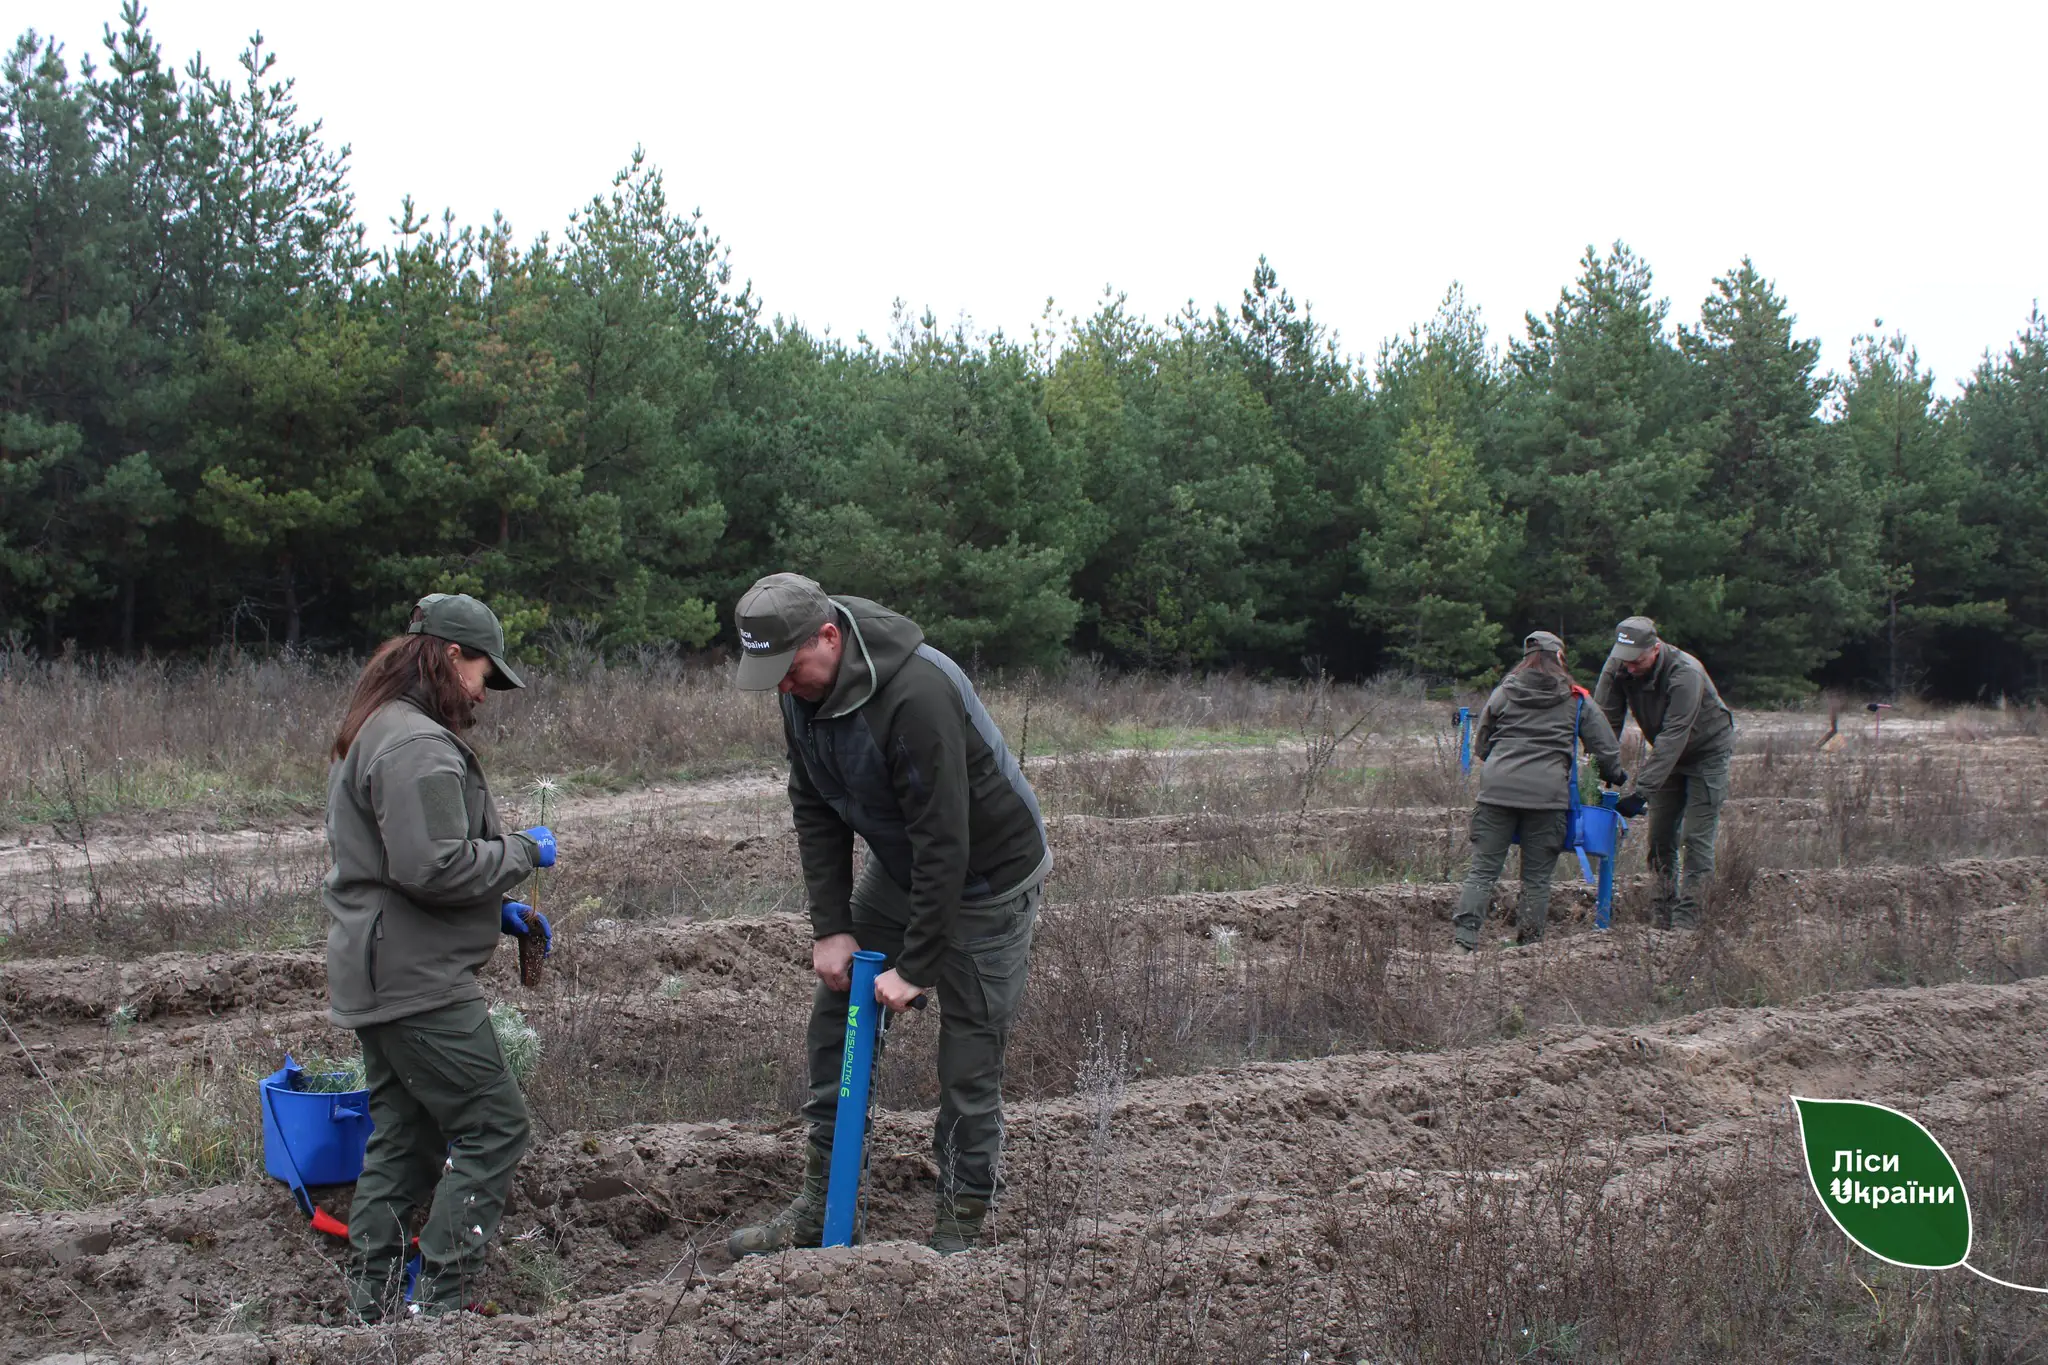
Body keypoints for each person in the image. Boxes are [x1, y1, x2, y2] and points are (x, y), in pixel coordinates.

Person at [727, 573, 1051, 1256]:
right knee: (836, 1016)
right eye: (771, 674)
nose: (781, 685)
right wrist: (832, 926)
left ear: (828, 637)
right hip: (906, 862)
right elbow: (814, 805)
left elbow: (946, 840)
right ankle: (822, 1206)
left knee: (967, 1060)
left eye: (789, 668)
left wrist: (917, 965)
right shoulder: (801, 691)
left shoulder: (917, 693)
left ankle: (958, 1233)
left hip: (988, 878)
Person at [321, 593, 560, 1320]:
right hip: (417, 981)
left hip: (380, 970)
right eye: (484, 672)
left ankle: (372, 1306)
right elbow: (433, 866)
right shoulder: (417, 745)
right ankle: (442, 1304)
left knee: (406, 1137)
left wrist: (495, 911)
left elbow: (398, 865)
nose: (484, 692)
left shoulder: (379, 727)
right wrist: (521, 852)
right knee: (496, 1126)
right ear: (453, 655)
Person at [1453, 631, 1627, 951]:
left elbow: (1482, 745)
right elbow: (1606, 749)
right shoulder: (1577, 699)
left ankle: (1463, 943)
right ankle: (1529, 947)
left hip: (1496, 793)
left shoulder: (1504, 692)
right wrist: (1615, 776)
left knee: (1482, 871)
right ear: (1560, 657)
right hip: (1547, 799)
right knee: (1536, 879)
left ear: (1527, 658)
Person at [1593, 615, 1737, 930]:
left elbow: (1674, 736)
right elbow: (1604, 721)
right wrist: (1605, 770)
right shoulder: (1619, 665)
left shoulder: (1686, 673)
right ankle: (1662, 914)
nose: (1630, 666)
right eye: (1625, 659)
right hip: (1666, 752)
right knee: (1660, 838)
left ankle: (1688, 922)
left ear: (1656, 648)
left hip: (1706, 751)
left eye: (1637, 660)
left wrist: (1641, 792)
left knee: (1695, 838)